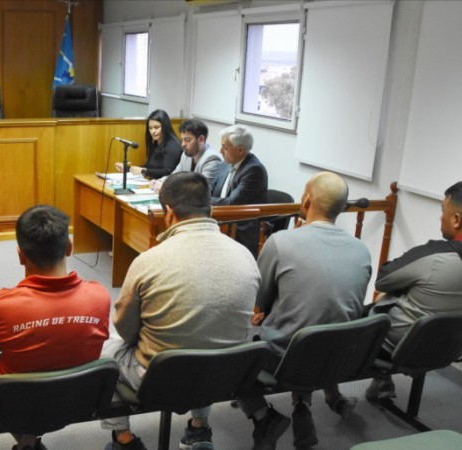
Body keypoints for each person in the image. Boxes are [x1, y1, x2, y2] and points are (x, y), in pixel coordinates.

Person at [102, 172, 260, 450]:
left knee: (106, 350)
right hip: (224, 375)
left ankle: (123, 439)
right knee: (206, 337)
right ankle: (199, 429)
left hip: (161, 379)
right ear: (210, 210)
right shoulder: (246, 255)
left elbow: (125, 330)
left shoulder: (148, 261)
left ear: (169, 213)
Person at [237, 172, 372, 450]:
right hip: (340, 357)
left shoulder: (281, 242)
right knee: (314, 328)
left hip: (286, 358)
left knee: (231, 343)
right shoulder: (362, 250)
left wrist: (270, 312)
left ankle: (263, 416)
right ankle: (304, 402)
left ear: (307, 200)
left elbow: (260, 298)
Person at [0, 205, 110, 450]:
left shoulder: (1, 304)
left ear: (20, 255)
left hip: (16, 404)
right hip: (76, 398)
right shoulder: (100, 295)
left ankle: (26, 441)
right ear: (69, 247)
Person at [366, 181, 462, 402]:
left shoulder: (435, 255)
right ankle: (382, 380)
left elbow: (383, 279)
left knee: (368, 311)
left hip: (400, 347)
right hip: (448, 349)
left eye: (443, 211)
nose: (440, 218)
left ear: (456, 220)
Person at [211, 124, 269, 257]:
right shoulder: (227, 163)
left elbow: (233, 203)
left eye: (225, 148)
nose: (220, 151)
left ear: (240, 149)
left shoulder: (254, 170)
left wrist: (203, 201)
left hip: (242, 229)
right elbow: (211, 190)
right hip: (223, 221)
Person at [149, 118, 223, 192]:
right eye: (182, 140)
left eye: (187, 140)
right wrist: (159, 182)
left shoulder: (212, 159)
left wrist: (166, 187)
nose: (183, 144)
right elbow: (175, 176)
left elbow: (200, 190)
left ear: (201, 139)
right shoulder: (186, 154)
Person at [115, 109, 182, 180]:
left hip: (165, 184)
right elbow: (149, 167)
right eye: (150, 128)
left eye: (156, 127)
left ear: (165, 127)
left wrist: (144, 171)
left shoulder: (173, 146)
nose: (153, 131)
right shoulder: (155, 143)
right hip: (153, 182)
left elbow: (168, 171)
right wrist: (128, 168)